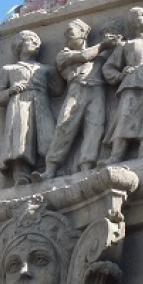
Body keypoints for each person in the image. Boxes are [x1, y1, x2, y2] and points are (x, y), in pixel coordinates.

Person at [40, 19, 120, 179]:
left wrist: (117, 43)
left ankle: (86, 165)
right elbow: (84, 56)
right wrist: (104, 44)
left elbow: (113, 59)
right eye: (66, 32)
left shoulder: (100, 54)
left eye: (71, 30)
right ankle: (51, 169)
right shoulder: (63, 54)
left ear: (84, 33)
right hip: (77, 90)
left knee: (95, 127)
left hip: (97, 91)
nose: (67, 34)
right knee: (65, 125)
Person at [0, 30, 63, 185]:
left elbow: (57, 90)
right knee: (21, 137)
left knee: (46, 134)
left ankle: (45, 169)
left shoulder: (45, 69)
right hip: (19, 105)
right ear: (20, 44)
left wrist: (59, 70)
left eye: (37, 42)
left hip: (41, 102)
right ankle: (21, 174)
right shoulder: (9, 70)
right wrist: (11, 90)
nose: (36, 44)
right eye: (31, 40)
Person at [102, 7, 143, 163]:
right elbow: (108, 67)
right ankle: (117, 154)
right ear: (133, 23)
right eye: (142, 15)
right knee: (125, 117)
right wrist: (121, 75)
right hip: (131, 84)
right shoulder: (126, 45)